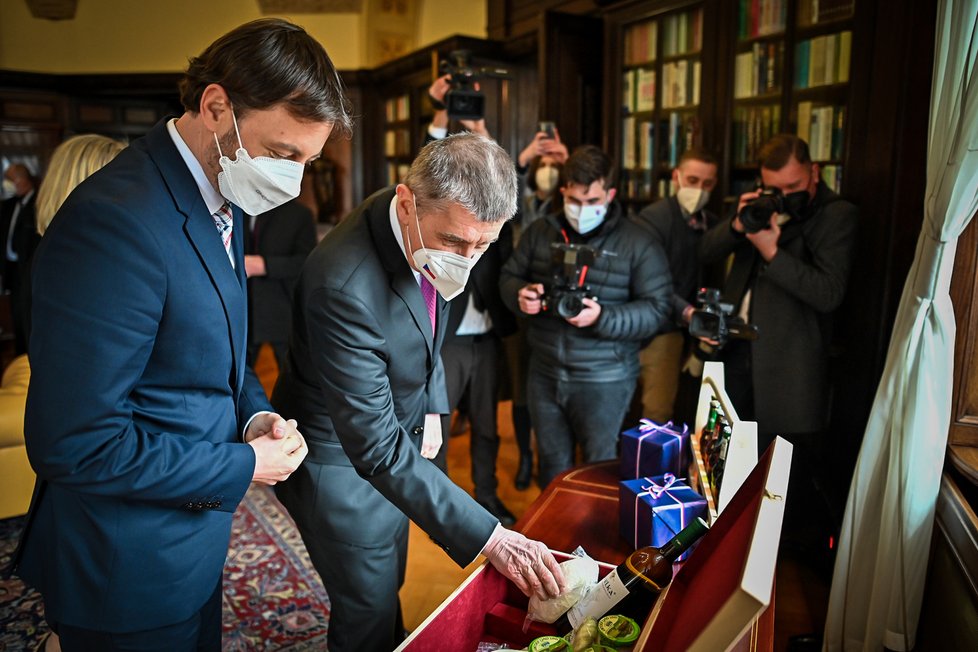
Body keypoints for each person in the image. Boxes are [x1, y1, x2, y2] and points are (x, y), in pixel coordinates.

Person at [15, 18, 352, 651]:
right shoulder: (116, 223)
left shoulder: (217, 198)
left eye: (308, 161)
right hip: (125, 563)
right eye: (283, 154)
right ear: (217, 106)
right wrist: (244, 463)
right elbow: (76, 444)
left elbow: (220, 353)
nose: (294, 179)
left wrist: (253, 417)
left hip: (189, 543)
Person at [272, 132, 565, 652]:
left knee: (390, 580)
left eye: (485, 245)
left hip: (398, 436)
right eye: (456, 243)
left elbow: (429, 321)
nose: (467, 258)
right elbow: (377, 448)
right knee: (365, 608)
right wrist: (492, 536)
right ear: (407, 204)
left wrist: (432, 402)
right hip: (339, 460)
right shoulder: (342, 285)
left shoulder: (433, 224)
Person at [698, 133, 858, 550]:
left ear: (814, 173)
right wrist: (739, 222)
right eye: (776, 188)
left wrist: (772, 251)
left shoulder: (837, 215)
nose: (784, 197)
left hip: (788, 363)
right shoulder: (758, 205)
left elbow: (828, 292)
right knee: (729, 455)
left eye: (793, 187)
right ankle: (728, 543)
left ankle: (771, 557)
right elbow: (704, 250)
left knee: (779, 471)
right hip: (734, 350)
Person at [499, 145, 673, 488]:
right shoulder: (540, 232)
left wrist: (603, 317)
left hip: (605, 377)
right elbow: (508, 278)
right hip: (545, 370)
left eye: (592, 202)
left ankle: (590, 541)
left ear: (609, 194)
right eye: (574, 201)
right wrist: (520, 296)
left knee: (598, 466)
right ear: (563, 191)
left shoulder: (638, 242)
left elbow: (657, 309)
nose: (582, 210)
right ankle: (550, 541)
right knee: (552, 464)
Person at [633, 148, 719, 423]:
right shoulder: (653, 219)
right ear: (676, 177)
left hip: (696, 333)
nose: (699, 189)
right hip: (660, 327)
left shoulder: (713, 224)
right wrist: (687, 313)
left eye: (707, 184)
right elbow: (650, 282)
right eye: (692, 181)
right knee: (657, 412)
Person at [244, 197, 317, 370]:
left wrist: (263, 265)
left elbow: (306, 262)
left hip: (283, 308)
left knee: (292, 376)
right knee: (239, 377)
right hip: (244, 308)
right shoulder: (239, 208)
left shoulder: (299, 214)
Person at [1, 163, 39, 354]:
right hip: (13, 270)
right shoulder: (10, 205)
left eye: (9, 179)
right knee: (16, 317)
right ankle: (19, 356)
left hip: (29, 271)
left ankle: (26, 358)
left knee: (27, 317)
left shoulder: (38, 204)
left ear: (22, 179)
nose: (6, 184)